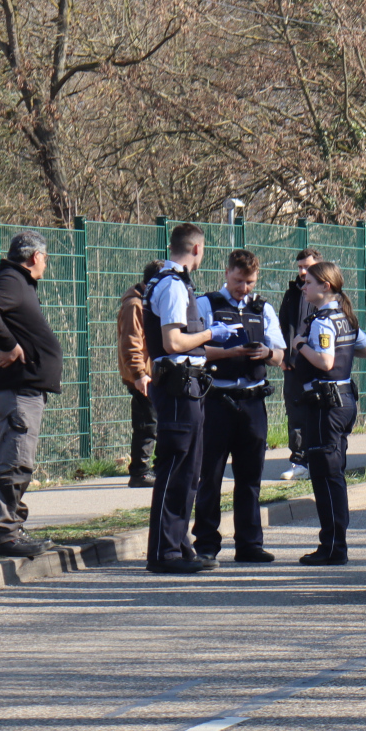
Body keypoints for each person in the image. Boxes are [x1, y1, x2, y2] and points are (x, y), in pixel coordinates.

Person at [143, 223, 238, 575]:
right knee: (177, 467)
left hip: (189, 386)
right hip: (178, 387)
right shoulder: (171, 285)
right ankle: (164, 552)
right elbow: (172, 343)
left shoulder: (177, 282)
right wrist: (213, 333)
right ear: (196, 249)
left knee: (190, 471)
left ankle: (179, 546)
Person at [0, 231, 64, 558]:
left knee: (19, 463)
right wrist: (9, 345)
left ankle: (13, 528)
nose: (46, 264)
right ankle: (4, 535)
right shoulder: (11, 280)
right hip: (16, 392)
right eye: (45, 258)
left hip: (24, 391)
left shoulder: (19, 283)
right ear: (35, 257)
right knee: (14, 463)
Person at [192, 249, 285, 564]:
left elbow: (280, 355)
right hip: (217, 400)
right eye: (238, 281)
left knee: (249, 477)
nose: (243, 288)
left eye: (249, 282)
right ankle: (205, 543)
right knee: (211, 475)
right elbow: (194, 350)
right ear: (227, 272)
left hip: (253, 401)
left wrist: (266, 355)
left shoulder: (263, 308)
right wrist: (230, 353)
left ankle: (249, 544)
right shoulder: (207, 304)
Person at [292, 261, 366, 565]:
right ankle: (335, 542)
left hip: (326, 405)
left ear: (325, 286)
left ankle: (332, 546)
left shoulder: (322, 321)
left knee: (325, 476)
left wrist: (300, 345)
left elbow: (325, 362)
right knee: (335, 473)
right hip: (344, 400)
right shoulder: (347, 318)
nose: (304, 287)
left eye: (309, 283)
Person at [117, 260, 166, 488]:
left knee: (155, 420)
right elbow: (131, 342)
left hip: (153, 371)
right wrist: (139, 374)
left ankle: (154, 467)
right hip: (143, 374)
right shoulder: (135, 305)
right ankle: (140, 471)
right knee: (148, 422)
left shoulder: (150, 301)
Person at [279, 247, 323, 481]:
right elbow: (283, 326)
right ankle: (298, 462)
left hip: (318, 364)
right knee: (295, 413)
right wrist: (284, 357)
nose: (303, 272)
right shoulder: (292, 293)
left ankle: (320, 459)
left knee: (319, 412)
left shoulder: (327, 293)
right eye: (300, 267)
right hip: (294, 366)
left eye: (307, 267)